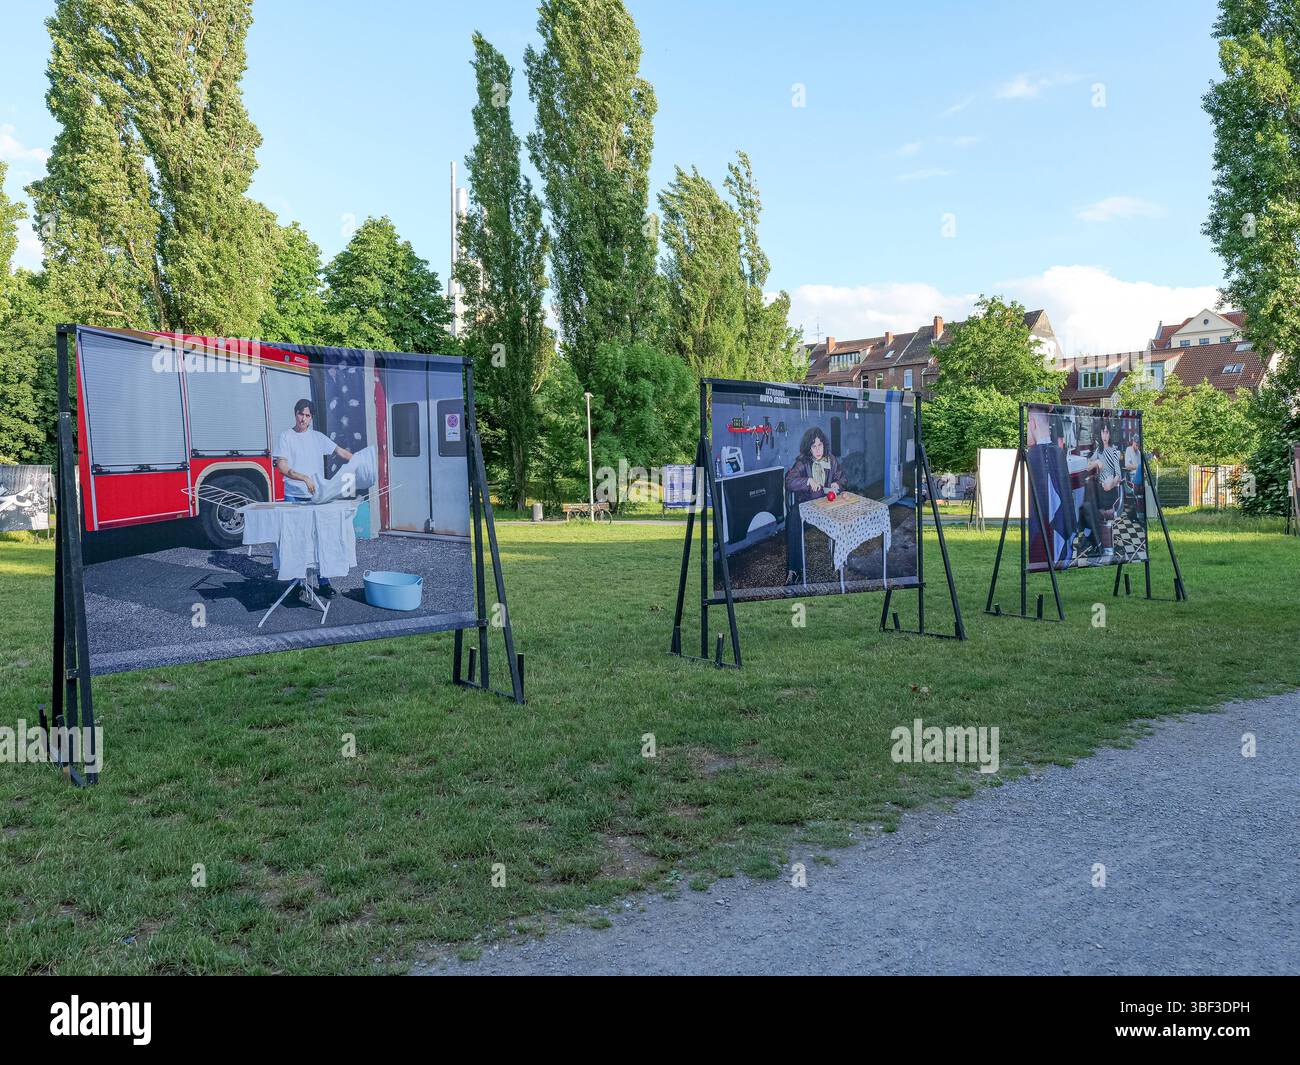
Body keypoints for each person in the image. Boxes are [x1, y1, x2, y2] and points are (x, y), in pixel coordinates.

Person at [273, 398, 353, 598]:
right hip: (294, 496)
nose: (304, 418)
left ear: (311, 418)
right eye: (301, 414)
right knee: (296, 541)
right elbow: (282, 466)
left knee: (320, 539)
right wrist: (303, 477)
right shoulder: (286, 437)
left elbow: (340, 451)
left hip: (315, 497)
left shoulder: (318, 437)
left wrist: (361, 461)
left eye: (308, 415)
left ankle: (324, 582)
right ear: (295, 414)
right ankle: (297, 584)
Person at [784, 425, 844, 585]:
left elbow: (842, 478)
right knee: (792, 518)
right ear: (809, 448)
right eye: (814, 446)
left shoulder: (831, 459)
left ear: (824, 445)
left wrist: (837, 484)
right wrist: (807, 481)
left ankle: (841, 559)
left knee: (846, 513)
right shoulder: (802, 462)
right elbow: (788, 482)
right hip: (807, 506)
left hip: (827, 504)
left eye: (820, 445)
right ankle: (795, 570)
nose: (818, 450)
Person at [1075, 416, 1124, 561]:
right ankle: (1092, 538)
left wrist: (1112, 484)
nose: (1105, 435)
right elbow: (1088, 465)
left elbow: (1119, 475)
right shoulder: (1099, 451)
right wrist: (1095, 461)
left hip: (1111, 493)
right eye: (1103, 432)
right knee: (1085, 505)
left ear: (1110, 434)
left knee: (1088, 503)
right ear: (1100, 434)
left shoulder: (1114, 452)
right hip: (1101, 491)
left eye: (1107, 432)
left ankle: (1091, 539)